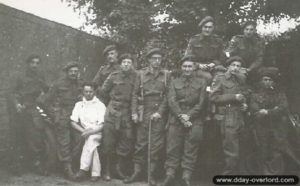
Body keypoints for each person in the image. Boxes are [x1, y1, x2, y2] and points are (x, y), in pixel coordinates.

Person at [160, 55, 207, 186]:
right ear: (181, 68)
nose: (187, 69)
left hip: (194, 119)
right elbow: (171, 101)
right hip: (176, 119)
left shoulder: (202, 82)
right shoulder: (174, 82)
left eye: (190, 66)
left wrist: (189, 116)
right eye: (184, 66)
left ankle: (186, 177)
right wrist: (181, 116)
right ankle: (170, 175)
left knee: (191, 149)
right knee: (172, 148)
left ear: (194, 68)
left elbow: (202, 103)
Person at [124, 48, 169, 185]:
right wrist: (134, 112)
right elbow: (134, 95)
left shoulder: (166, 75)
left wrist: (160, 112)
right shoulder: (141, 74)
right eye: (154, 58)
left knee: (155, 145)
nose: (156, 61)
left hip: (159, 111)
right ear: (149, 60)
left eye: (159, 59)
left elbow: (168, 97)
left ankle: (151, 175)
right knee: (140, 143)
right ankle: (137, 172)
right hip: (144, 109)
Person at [8, 54, 49, 175]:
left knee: (35, 138)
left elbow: (47, 89)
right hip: (20, 111)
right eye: (32, 62)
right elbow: (11, 92)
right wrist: (16, 104)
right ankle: (16, 166)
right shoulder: (19, 76)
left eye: (37, 63)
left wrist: (43, 94)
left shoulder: (40, 77)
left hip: (32, 109)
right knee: (17, 137)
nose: (35, 65)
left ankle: (36, 165)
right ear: (28, 64)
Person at [42, 61, 84, 180]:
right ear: (66, 72)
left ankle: (74, 164)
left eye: (75, 71)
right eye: (71, 71)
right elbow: (45, 101)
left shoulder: (81, 84)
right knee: (64, 142)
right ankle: (67, 169)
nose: (73, 74)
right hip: (62, 116)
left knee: (79, 138)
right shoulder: (58, 84)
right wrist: (54, 114)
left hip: (76, 116)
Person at [210, 56, 249, 175]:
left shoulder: (241, 79)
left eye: (238, 66)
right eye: (233, 65)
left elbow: (245, 93)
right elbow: (213, 97)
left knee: (241, 147)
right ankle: (227, 176)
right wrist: (233, 97)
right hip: (227, 116)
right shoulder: (220, 78)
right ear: (228, 66)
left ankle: (236, 174)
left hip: (240, 116)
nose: (236, 68)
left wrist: (245, 104)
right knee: (231, 150)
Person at [101, 53, 137, 181]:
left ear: (132, 64)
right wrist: (106, 108)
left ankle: (118, 169)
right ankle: (106, 170)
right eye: (124, 62)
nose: (126, 64)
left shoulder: (135, 77)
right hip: (112, 111)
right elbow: (103, 92)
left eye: (129, 62)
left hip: (126, 112)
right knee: (108, 142)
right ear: (120, 64)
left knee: (126, 140)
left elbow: (136, 95)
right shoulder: (113, 76)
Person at [249, 67, 290, 175]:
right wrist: (275, 110)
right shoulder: (255, 94)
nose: (267, 82)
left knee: (276, 150)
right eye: (265, 79)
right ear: (261, 81)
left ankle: (275, 173)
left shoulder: (279, 93)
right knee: (262, 149)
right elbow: (255, 110)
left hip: (277, 126)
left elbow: (284, 108)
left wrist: (268, 112)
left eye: (270, 80)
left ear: (274, 81)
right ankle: (263, 173)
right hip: (261, 126)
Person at [70, 82, 106, 182]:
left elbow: (102, 125)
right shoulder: (79, 105)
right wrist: (83, 131)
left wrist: (90, 132)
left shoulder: (100, 105)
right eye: (86, 91)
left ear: (94, 92)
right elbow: (73, 122)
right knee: (91, 144)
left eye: (90, 91)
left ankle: (83, 169)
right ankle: (95, 173)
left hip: (97, 132)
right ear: (83, 92)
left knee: (91, 139)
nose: (88, 94)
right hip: (84, 131)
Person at [185, 16, 226, 84]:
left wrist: (214, 64)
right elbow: (187, 57)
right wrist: (198, 65)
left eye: (210, 27)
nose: (207, 29)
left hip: (214, 67)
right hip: (198, 68)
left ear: (213, 28)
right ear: (201, 28)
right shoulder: (194, 40)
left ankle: (215, 94)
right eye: (205, 27)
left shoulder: (218, 40)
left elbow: (222, 57)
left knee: (220, 77)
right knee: (208, 77)